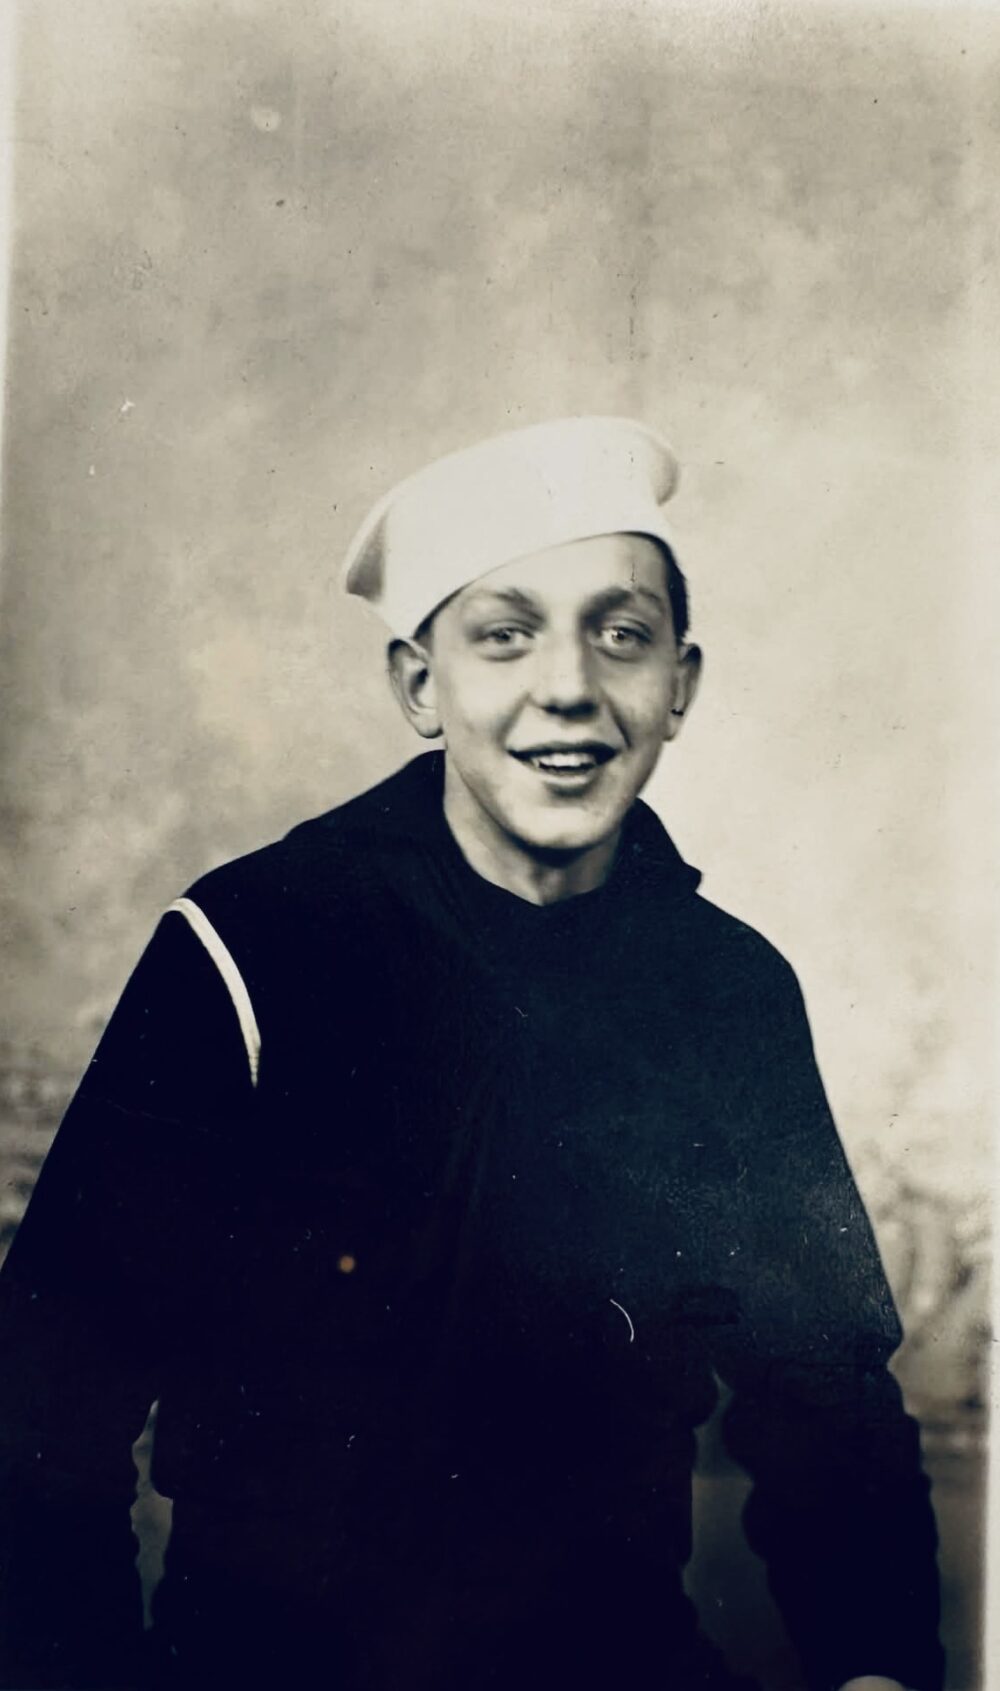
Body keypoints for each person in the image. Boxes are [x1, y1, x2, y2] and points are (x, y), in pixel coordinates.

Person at [0, 416, 944, 1691]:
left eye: (621, 632)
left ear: (681, 681)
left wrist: (878, 1665)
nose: (569, 684)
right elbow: (51, 1396)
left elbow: (824, 1398)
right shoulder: (252, 945)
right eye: (504, 633)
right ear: (417, 685)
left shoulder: (727, 991)